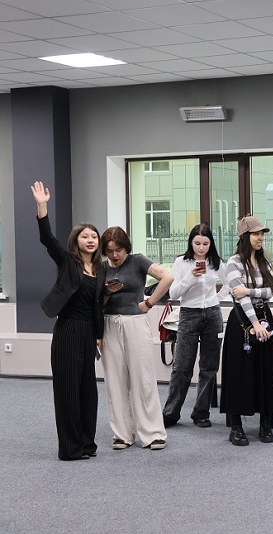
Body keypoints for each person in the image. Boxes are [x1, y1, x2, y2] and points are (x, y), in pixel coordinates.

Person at [31, 181, 105, 461]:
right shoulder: (67, 263)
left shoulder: (100, 270)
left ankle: (86, 443)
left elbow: (97, 305)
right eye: (85, 236)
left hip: (88, 334)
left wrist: (98, 334)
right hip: (67, 330)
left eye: (93, 237)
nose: (90, 240)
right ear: (76, 241)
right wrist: (42, 206)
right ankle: (70, 448)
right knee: (68, 390)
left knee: (88, 392)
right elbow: (47, 239)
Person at [101, 226, 173, 451]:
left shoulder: (138, 261)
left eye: (119, 249)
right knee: (115, 380)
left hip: (136, 322)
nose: (114, 255)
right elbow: (96, 303)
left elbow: (168, 277)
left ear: (126, 247)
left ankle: (153, 434)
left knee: (143, 378)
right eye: (110, 250)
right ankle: (122, 433)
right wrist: (106, 294)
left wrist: (149, 303)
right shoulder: (101, 268)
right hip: (109, 324)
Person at [220, 215, 273, 446]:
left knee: (265, 370)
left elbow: (271, 290)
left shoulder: (264, 262)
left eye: (262, 234)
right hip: (243, 322)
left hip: (265, 317)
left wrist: (250, 291)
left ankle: (265, 424)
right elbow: (238, 295)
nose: (260, 238)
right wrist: (255, 323)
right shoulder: (234, 262)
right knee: (238, 372)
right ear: (245, 237)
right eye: (256, 234)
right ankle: (236, 427)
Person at [162, 223, 229, 428]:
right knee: (182, 366)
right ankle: (171, 412)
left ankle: (201, 412)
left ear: (211, 244)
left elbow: (229, 284)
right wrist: (192, 276)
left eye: (205, 243)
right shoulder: (181, 262)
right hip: (188, 314)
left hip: (212, 314)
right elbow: (173, 294)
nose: (201, 248)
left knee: (209, 366)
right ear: (191, 243)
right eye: (197, 243)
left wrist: (216, 299)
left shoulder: (215, 262)